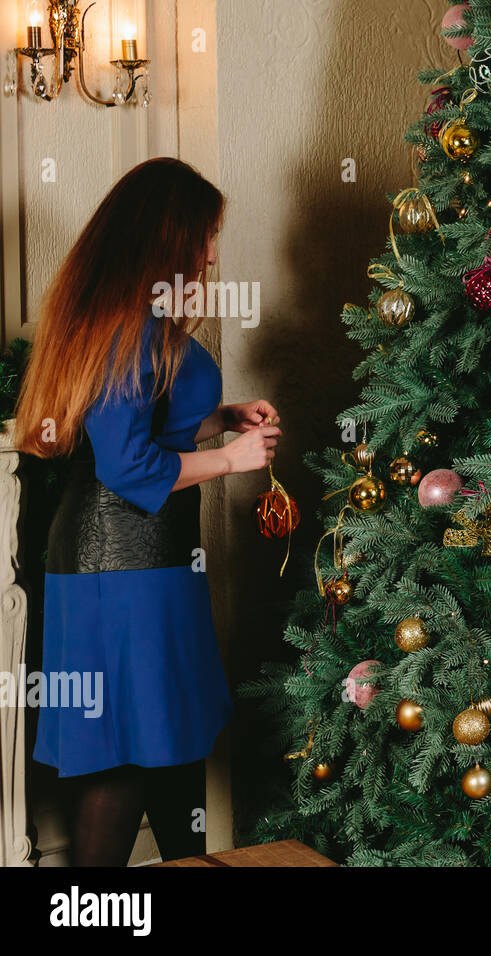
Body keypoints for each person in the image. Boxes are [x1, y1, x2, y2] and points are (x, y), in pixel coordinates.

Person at [13, 157, 281, 866]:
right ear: (166, 237)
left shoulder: (135, 320)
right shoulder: (125, 326)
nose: (214, 252)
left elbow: (147, 427)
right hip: (119, 572)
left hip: (150, 564)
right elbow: (127, 466)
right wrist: (233, 461)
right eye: (205, 234)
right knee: (126, 761)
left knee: (171, 751)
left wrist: (222, 419)